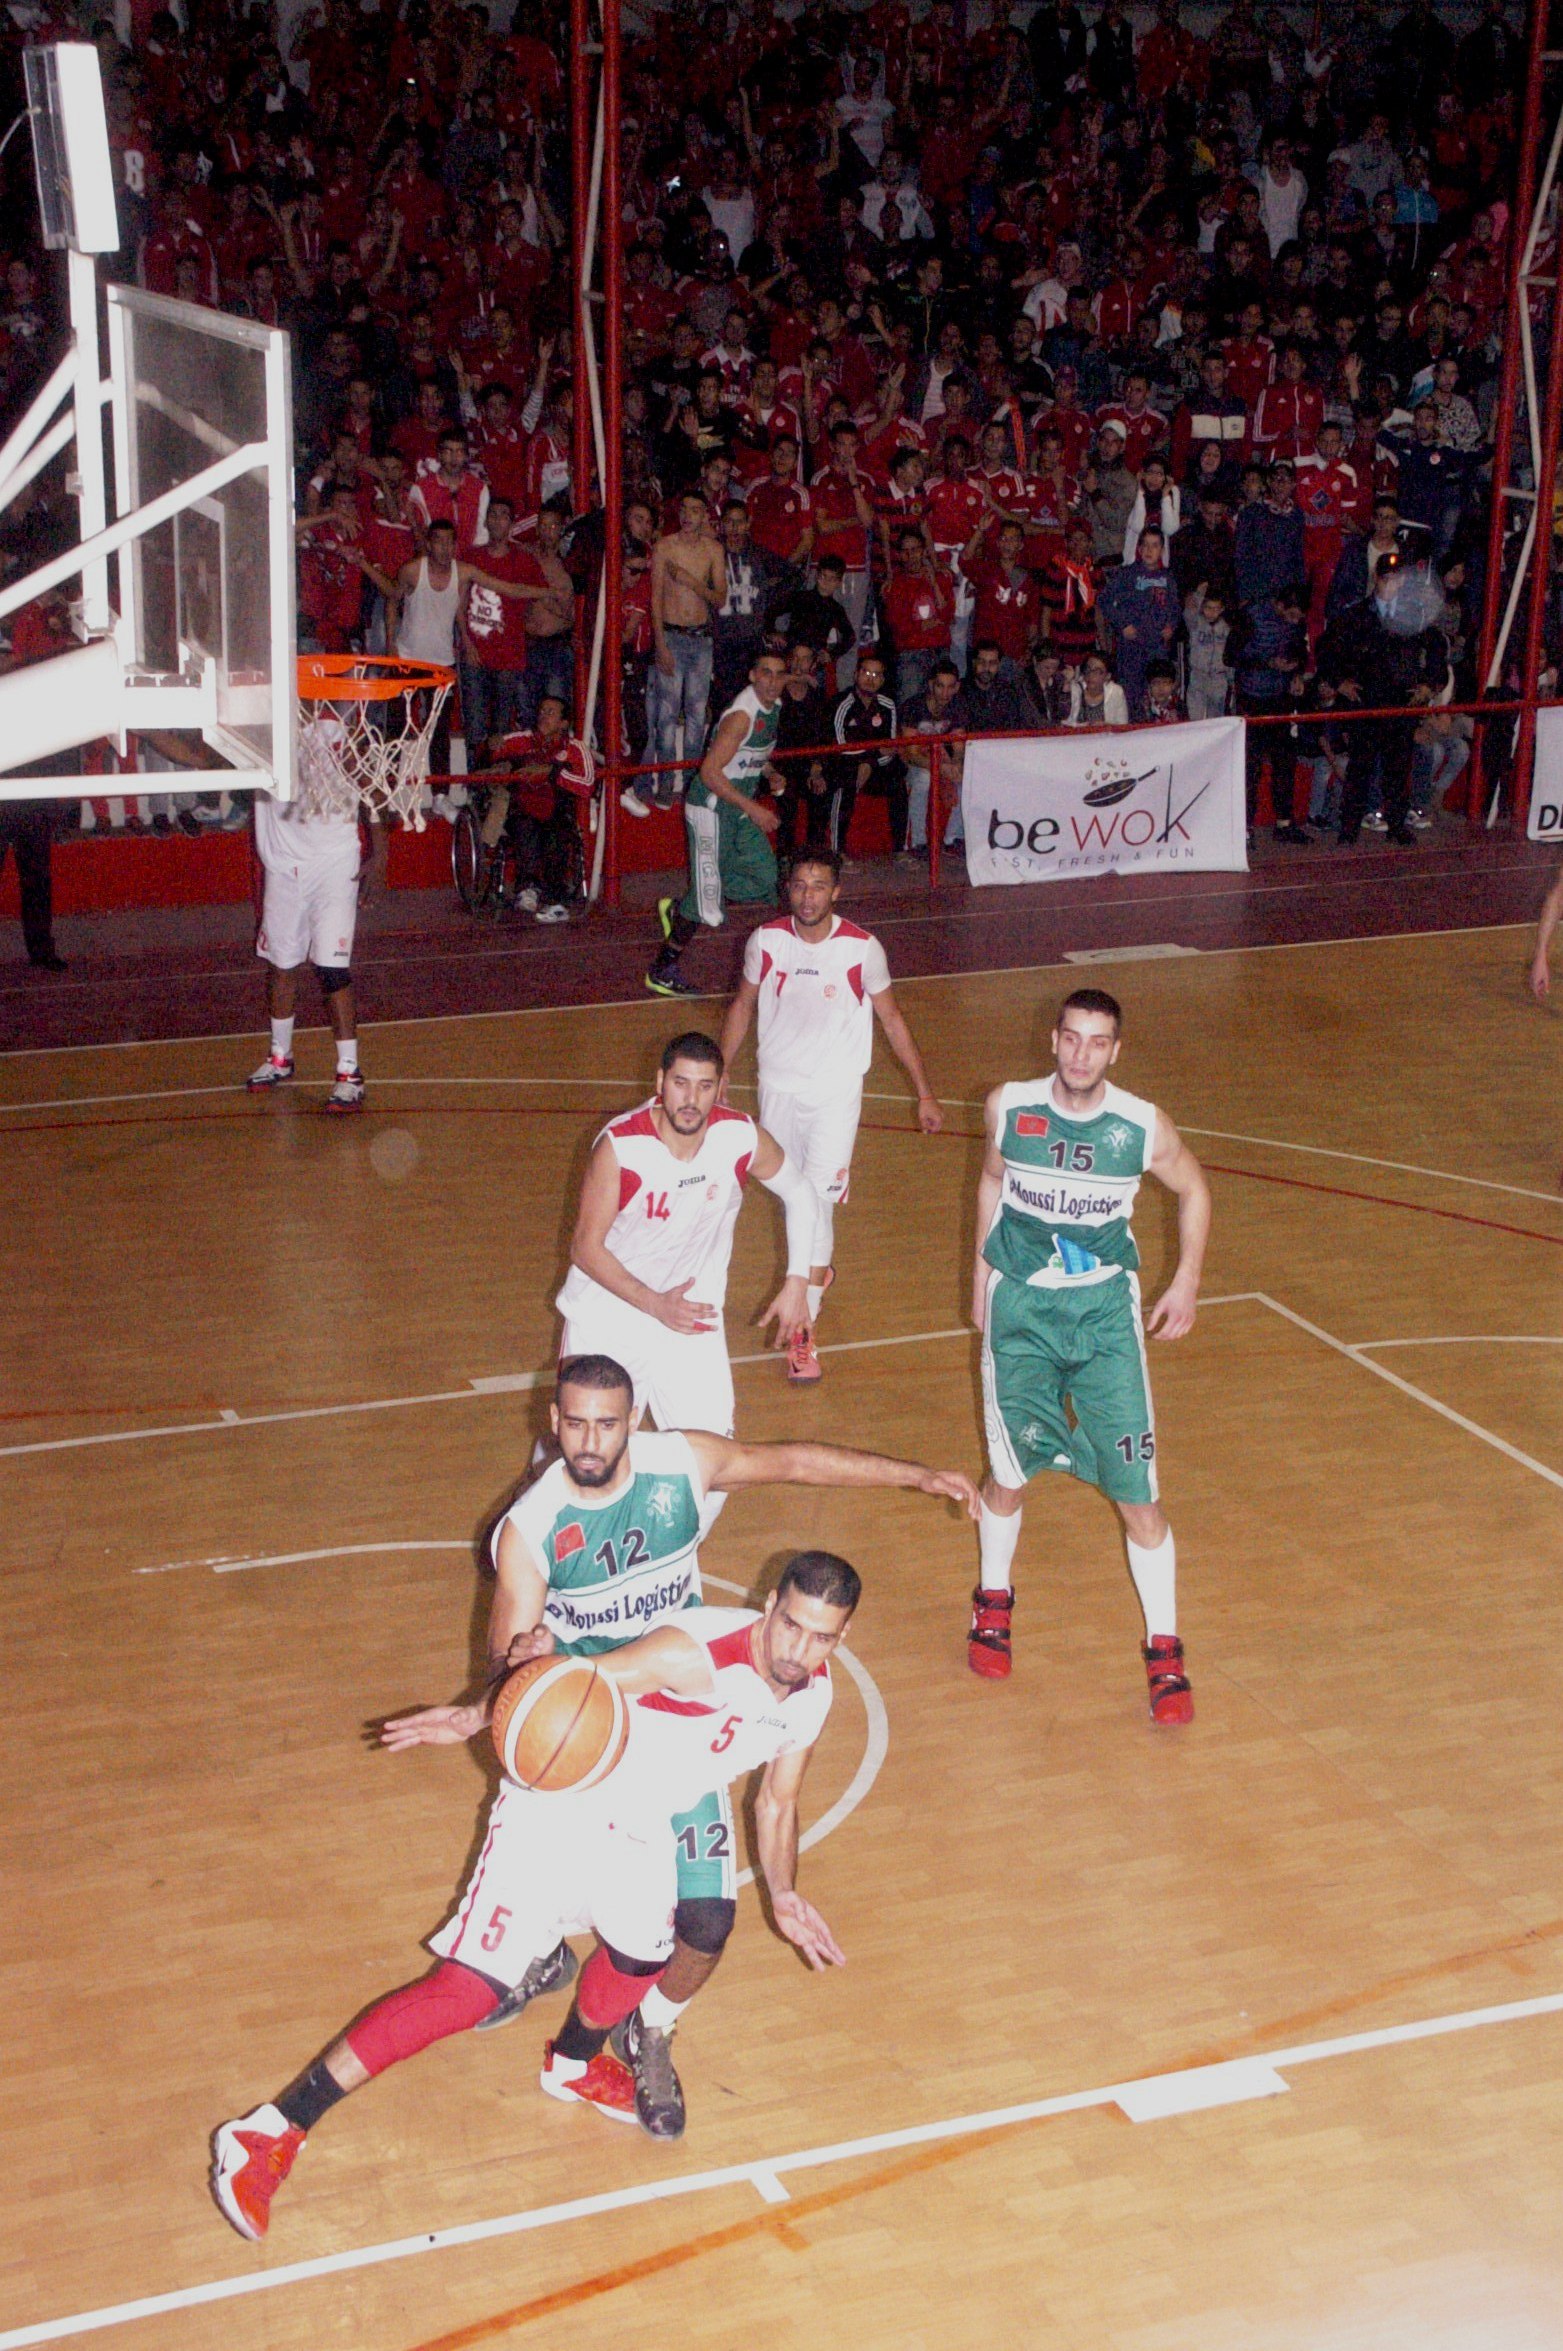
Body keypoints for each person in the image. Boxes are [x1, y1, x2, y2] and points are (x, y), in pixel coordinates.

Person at [212, 1552, 870, 2236]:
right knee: (468, 1990)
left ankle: (572, 2065)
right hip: (559, 1801)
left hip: (640, 1822)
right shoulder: (693, 1654)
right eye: (789, 1625)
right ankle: (269, 2128)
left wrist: (785, 1890)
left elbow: (777, 1800)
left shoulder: (813, 1692)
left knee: (641, 1955)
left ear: (840, 1637)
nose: (798, 1648)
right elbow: (567, 1679)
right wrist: (472, 1717)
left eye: (819, 1636)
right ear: (768, 1607)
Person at [470, 1359, 978, 2095]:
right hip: (596, 1704)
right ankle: (544, 1949)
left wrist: (916, 1476)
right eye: (576, 1422)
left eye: (606, 1422)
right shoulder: (536, 1524)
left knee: (705, 1922)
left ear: (633, 1420)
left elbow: (795, 1460)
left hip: (686, 1704)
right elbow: (503, 1664)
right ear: (552, 1422)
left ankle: (652, 2028)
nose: (590, 1436)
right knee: (556, 1850)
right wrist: (515, 1677)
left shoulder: (679, 1465)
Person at [966, 988, 1212, 1723]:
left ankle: (1164, 1648)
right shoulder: (1009, 1107)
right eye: (1070, 1038)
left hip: (1104, 1313)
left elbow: (1194, 1188)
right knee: (1009, 1473)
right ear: (1052, 1039)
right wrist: (979, 1279)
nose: (1080, 1053)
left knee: (1137, 1492)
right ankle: (992, 1600)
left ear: (1116, 1049)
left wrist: (1187, 1279)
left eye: (1096, 1041)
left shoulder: (1139, 1125)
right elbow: (989, 1181)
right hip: (1020, 1312)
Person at [718, 849, 942, 1380]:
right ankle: (817, 1275)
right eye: (799, 885)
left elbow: (892, 1020)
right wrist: (719, 1067)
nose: (808, 895)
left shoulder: (862, 950)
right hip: (777, 1091)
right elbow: (743, 1005)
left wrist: (924, 1092)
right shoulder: (766, 942)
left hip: (835, 1096)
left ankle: (804, 1332)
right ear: (787, 891)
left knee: (816, 1205)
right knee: (793, 1200)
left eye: (819, 886)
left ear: (835, 892)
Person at [554, 1028, 817, 1446]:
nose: (691, 1100)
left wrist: (798, 1280)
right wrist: (656, 1304)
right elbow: (585, 1249)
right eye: (680, 1084)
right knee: (582, 1460)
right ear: (660, 1084)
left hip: (692, 1322)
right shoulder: (623, 1147)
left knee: (714, 1465)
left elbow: (801, 1192)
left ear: (721, 1088)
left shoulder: (739, 1137)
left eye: (705, 1086)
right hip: (610, 1320)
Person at [244, 702, 386, 1113]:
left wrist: (381, 854)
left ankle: (349, 1073)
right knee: (281, 964)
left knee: (331, 968)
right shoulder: (261, 731)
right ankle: (280, 1057)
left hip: (333, 864)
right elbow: (202, 756)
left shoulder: (338, 733)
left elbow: (372, 791)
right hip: (283, 868)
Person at [647, 650, 786, 998]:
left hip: (737, 804)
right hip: (712, 805)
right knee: (707, 903)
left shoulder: (775, 708)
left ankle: (683, 907)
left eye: (778, 674)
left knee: (765, 877)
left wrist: (769, 773)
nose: (771, 681)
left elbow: (752, 755)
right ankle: (662, 969)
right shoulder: (741, 716)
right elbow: (709, 772)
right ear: (753, 675)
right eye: (765, 673)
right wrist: (753, 808)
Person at [642, 491, 727, 812]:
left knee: (695, 715)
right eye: (685, 509)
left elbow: (720, 598)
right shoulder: (665, 547)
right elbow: (655, 599)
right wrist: (660, 643)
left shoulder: (713, 550)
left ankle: (691, 782)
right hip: (673, 635)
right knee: (665, 715)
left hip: (701, 638)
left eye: (695, 510)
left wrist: (692, 582)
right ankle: (665, 781)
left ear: (705, 515)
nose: (689, 515)